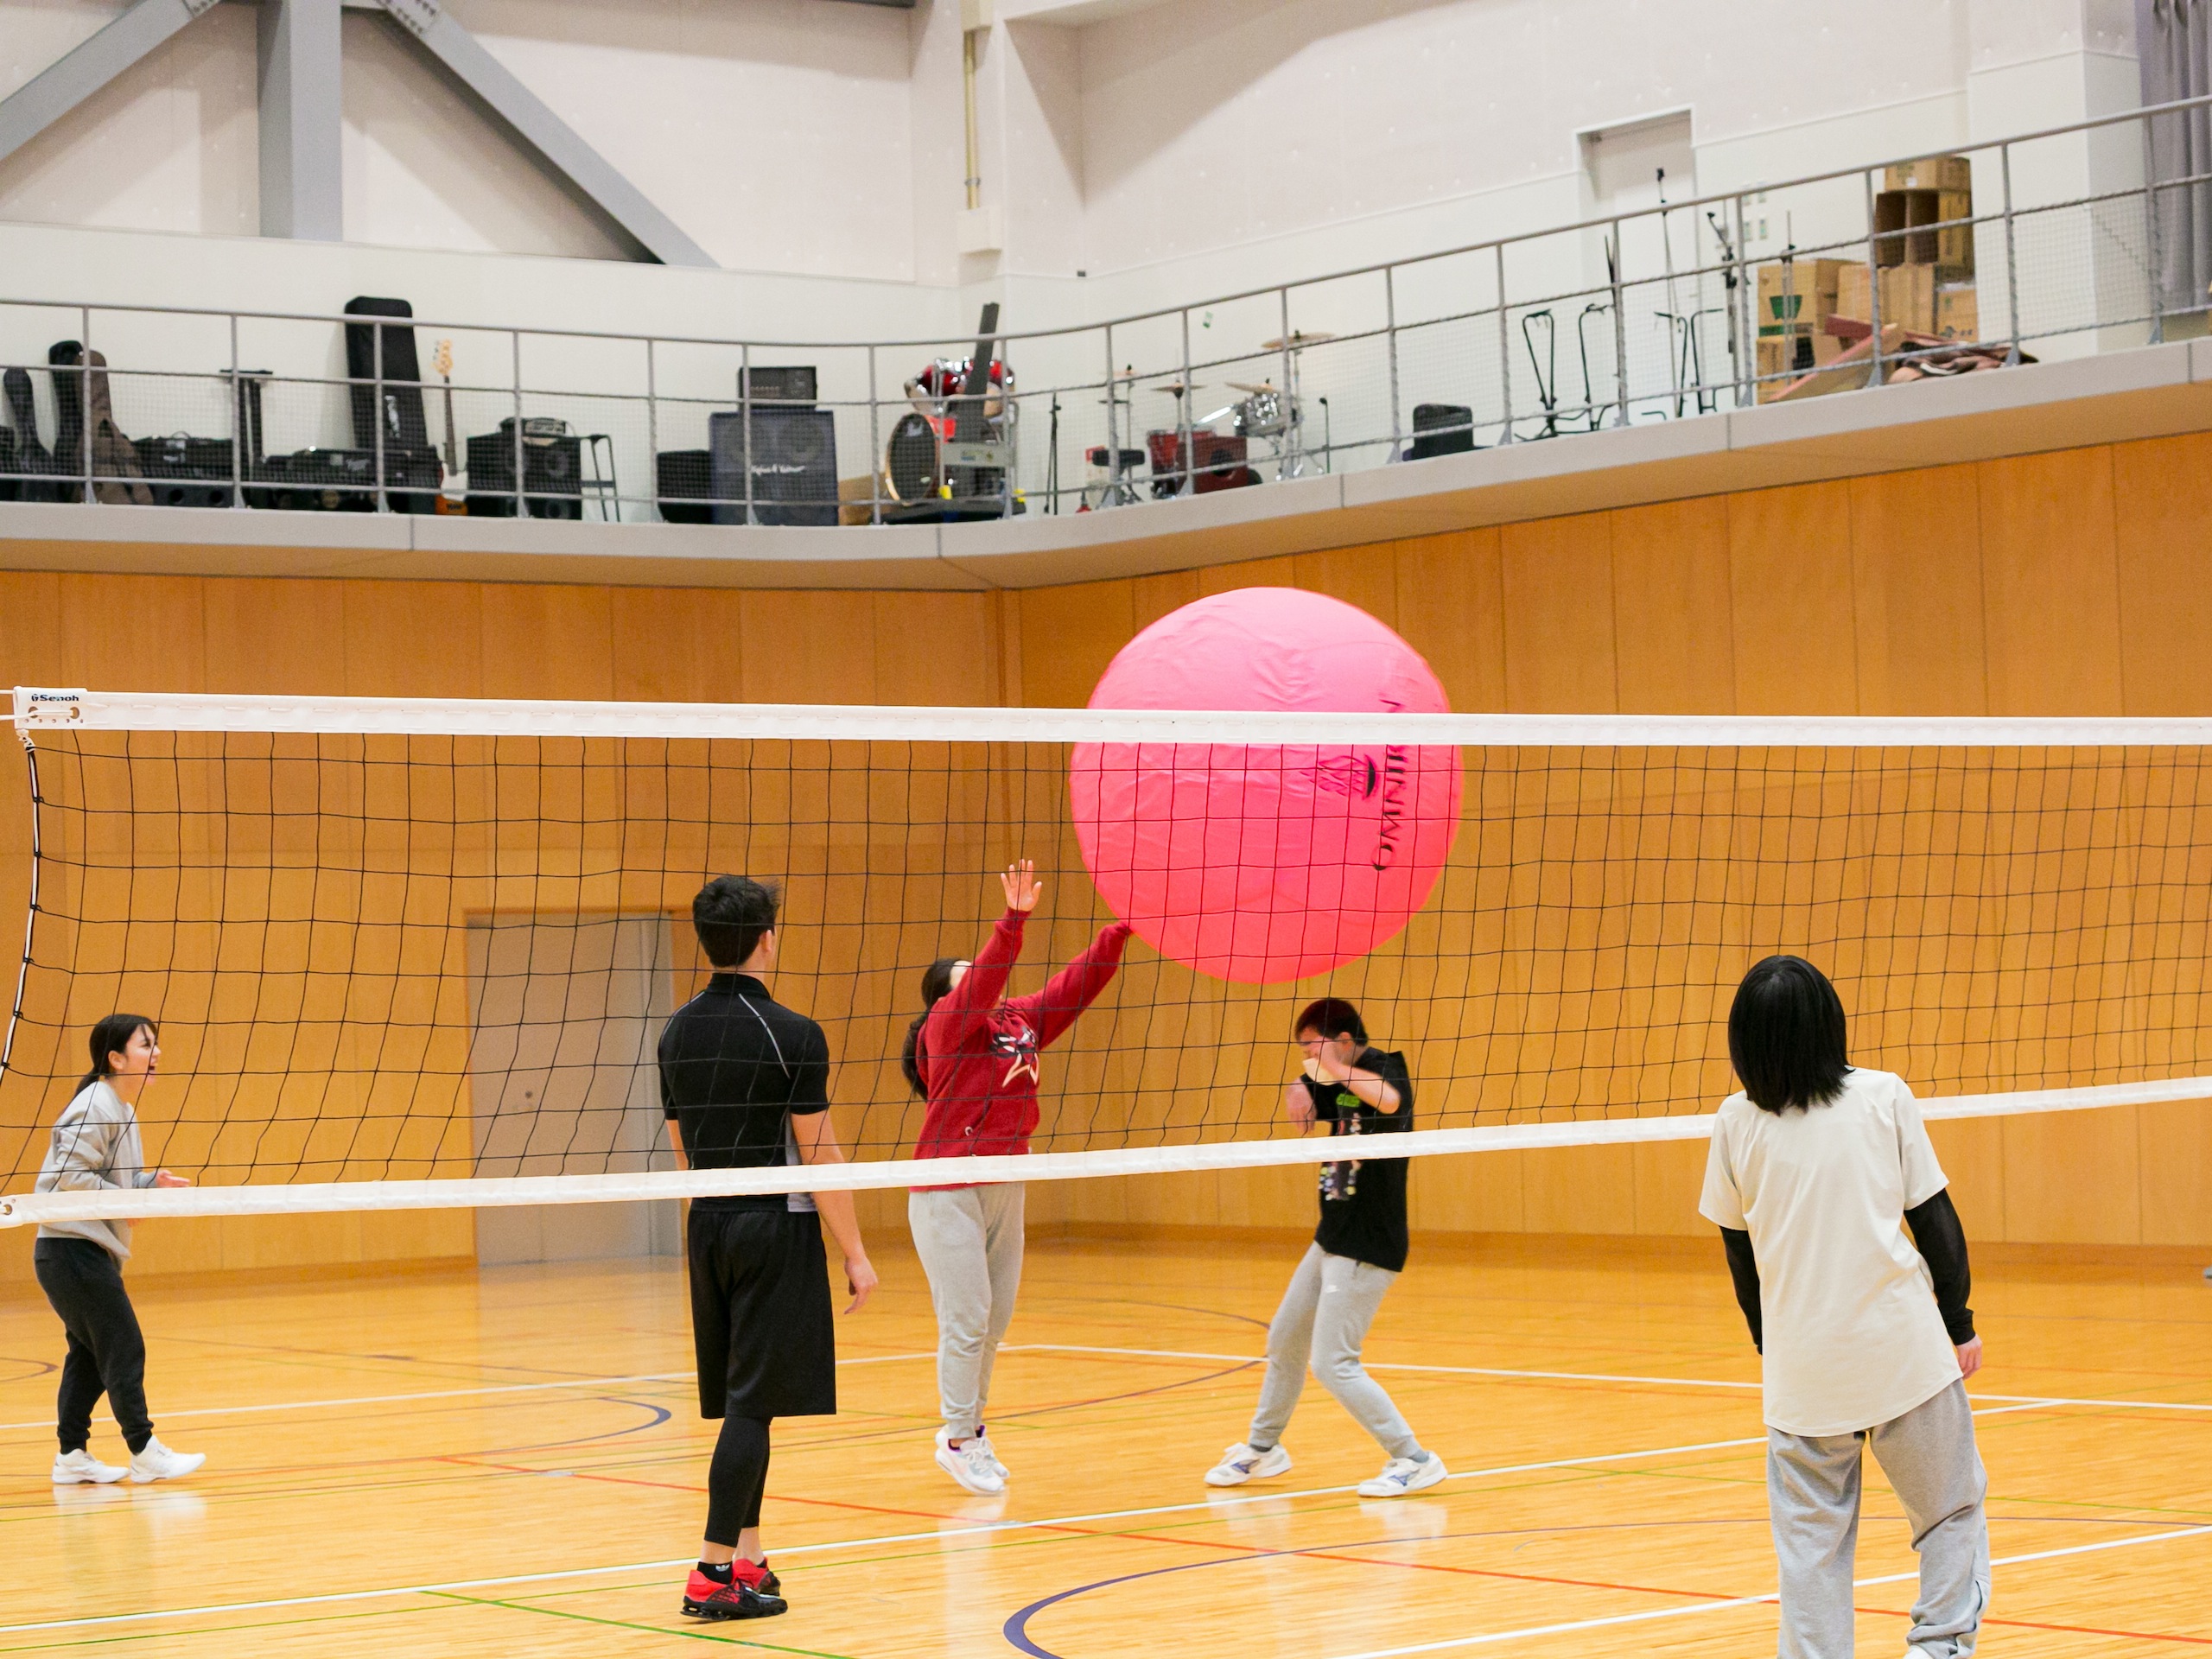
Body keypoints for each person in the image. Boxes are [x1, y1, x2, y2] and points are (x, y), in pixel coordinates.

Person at [1699, 955, 1989, 1659]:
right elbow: (1936, 1221)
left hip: (1805, 1378)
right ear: (1830, 1024)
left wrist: (1778, 1348)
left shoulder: (1735, 1122)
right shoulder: (1885, 1095)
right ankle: (1940, 1647)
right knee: (1950, 1511)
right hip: (1903, 1356)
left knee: (1810, 1548)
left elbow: (1741, 1258)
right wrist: (1959, 1323)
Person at [661, 876, 877, 1623]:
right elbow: (821, 1158)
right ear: (765, 939)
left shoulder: (675, 1031)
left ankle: (748, 1557)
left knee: (747, 1405)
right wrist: (854, 1250)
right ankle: (711, 1570)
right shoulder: (795, 1033)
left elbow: (682, 1148)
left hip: (709, 1225)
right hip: (771, 1228)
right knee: (751, 1408)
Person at [901, 859, 1131, 1496]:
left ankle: (973, 1431)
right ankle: (954, 1437)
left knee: (994, 1323)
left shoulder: (1021, 1021)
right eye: (966, 980)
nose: (982, 983)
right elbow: (981, 984)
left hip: (1007, 1177)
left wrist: (1123, 928)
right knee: (967, 1318)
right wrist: (1014, 921)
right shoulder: (946, 1029)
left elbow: (1076, 985)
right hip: (948, 1185)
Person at [1204, 997, 1446, 1499]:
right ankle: (1264, 1449)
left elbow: (1389, 1101)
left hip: (1369, 1242)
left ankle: (1414, 1459)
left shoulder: (1381, 1068)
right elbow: (1310, 1090)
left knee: (1334, 1362)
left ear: (1341, 1040)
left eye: (1311, 1045)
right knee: (1285, 1340)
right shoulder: (1330, 1075)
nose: (1306, 1057)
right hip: (1330, 1237)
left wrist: (1329, 1066)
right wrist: (1299, 1085)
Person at [33, 1014, 205, 1485]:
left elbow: (102, 1175)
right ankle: (144, 1450)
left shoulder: (120, 1108)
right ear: (115, 1057)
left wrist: (146, 1183)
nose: (156, 1053)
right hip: (70, 1249)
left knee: (89, 1355)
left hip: (78, 1249)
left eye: (155, 1044)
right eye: (145, 1044)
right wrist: (122, 1198)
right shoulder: (97, 1104)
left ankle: (71, 1456)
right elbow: (69, 1174)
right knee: (124, 1344)